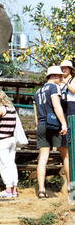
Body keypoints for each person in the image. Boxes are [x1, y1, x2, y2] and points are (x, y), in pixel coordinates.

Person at [33, 66, 69, 199]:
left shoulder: (37, 92)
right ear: (52, 76)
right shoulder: (54, 88)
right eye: (59, 76)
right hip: (54, 124)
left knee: (43, 159)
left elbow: (36, 113)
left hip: (41, 125)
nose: (61, 78)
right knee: (66, 156)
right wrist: (63, 123)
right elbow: (56, 105)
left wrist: (38, 127)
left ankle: (41, 190)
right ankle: (72, 189)